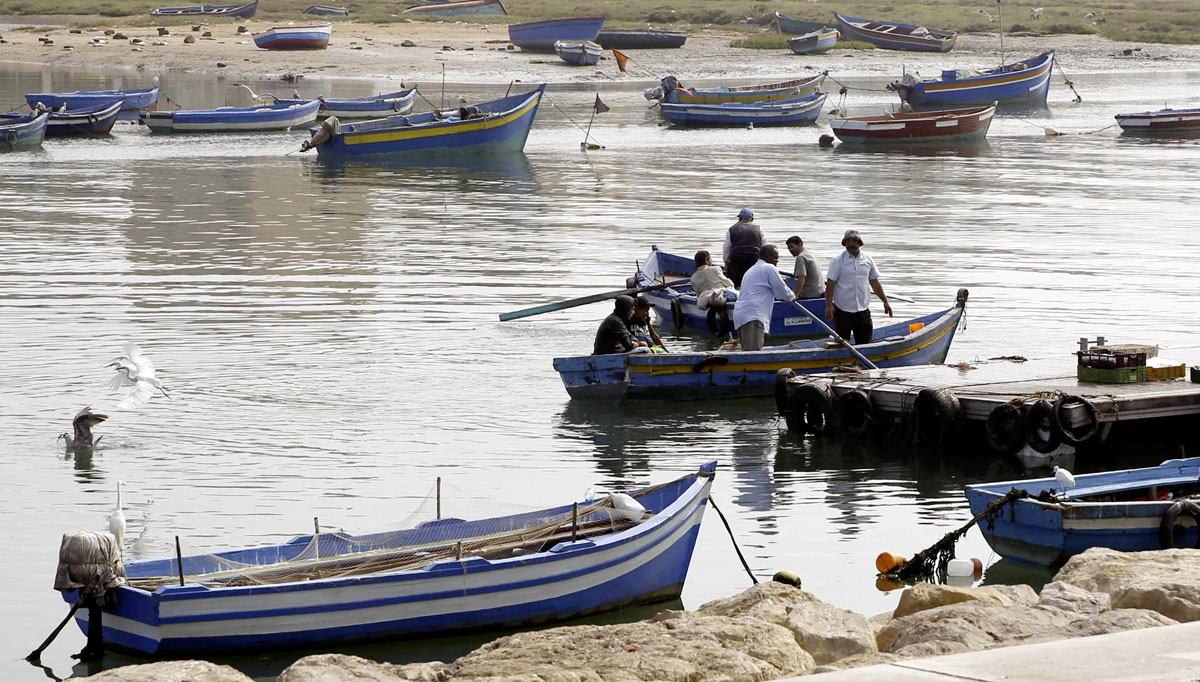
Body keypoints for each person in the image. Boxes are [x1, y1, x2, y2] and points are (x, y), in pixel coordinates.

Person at [824, 230, 892, 345]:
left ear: (859, 243)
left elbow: (874, 282)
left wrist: (885, 302)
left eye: (854, 241)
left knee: (865, 344)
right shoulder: (837, 261)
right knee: (841, 345)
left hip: (862, 310)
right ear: (844, 244)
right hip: (842, 310)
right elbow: (830, 284)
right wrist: (829, 306)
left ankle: (861, 363)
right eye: (849, 241)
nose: (851, 244)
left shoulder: (867, 260)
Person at [731, 245, 795, 351]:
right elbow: (782, 291)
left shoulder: (752, 269)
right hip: (753, 317)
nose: (777, 261)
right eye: (775, 257)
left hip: (742, 316)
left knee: (747, 351)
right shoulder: (769, 268)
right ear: (767, 256)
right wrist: (794, 296)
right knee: (752, 354)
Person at [722, 208, 764, 288]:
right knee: (753, 282)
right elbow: (764, 246)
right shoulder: (759, 229)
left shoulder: (732, 229)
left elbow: (727, 247)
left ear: (740, 218)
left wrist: (726, 261)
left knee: (735, 282)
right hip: (754, 259)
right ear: (752, 219)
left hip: (736, 259)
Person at [785, 235, 823, 300]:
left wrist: (796, 296)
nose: (790, 250)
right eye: (788, 248)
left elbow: (801, 278)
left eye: (792, 247)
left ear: (800, 244)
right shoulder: (810, 255)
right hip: (820, 292)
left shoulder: (801, 257)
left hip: (810, 295)